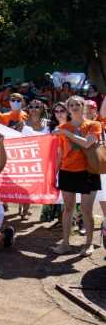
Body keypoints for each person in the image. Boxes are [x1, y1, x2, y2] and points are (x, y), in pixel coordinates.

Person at [51, 95, 102, 256]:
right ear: (68, 108)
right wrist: (54, 173)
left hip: (89, 171)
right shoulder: (64, 127)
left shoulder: (94, 124)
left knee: (86, 211)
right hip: (67, 171)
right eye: (71, 105)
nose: (74, 106)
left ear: (84, 106)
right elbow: (60, 153)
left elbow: (88, 143)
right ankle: (65, 243)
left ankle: (88, 244)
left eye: (78, 104)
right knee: (68, 209)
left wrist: (66, 132)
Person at [19, 99, 51, 219]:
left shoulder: (48, 124)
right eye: (31, 106)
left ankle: (25, 207)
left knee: (33, 185)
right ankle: (24, 209)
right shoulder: (22, 123)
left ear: (42, 109)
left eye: (37, 107)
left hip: (42, 159)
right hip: (25, 158)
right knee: (25, 185)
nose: (34, 109)